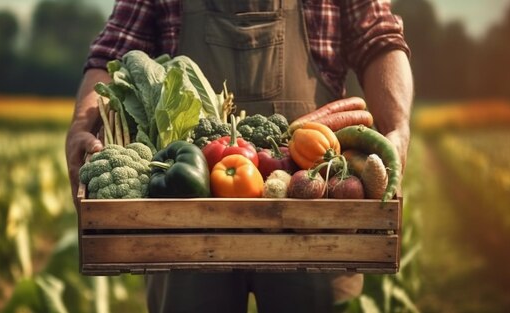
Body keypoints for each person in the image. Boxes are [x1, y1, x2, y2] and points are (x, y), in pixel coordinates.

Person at [66, 0, 413, 312]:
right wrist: (83, 123)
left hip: (312, 212)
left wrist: (396, 125)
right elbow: (112, 51)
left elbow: (380, 38)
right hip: (185, 220)